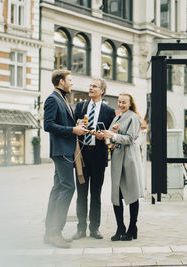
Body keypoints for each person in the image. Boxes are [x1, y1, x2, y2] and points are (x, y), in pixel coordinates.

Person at [43, 70, 88, 248]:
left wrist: (76, 126)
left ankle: (50, 232)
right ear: (61, 82)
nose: (72, 83)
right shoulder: (53, 99)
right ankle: (55, 232)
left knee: (58, 188)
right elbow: (48, 125)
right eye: (70, 80)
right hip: (62, 151)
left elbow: (61, 123)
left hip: (65, 150)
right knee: (68, 188)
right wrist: (72, 130)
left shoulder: (63, 99)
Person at [71, 78, 116, 240]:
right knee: (81, 194)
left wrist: (103, 136)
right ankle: (80, 229)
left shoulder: (109, 111)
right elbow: (73, 127)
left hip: (98, 156)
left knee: (96, 194)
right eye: (90, 86)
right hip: (81, 157)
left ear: (102, 91)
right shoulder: (80, 106)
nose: (91, 88)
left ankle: (94, 228)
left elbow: (111, 136)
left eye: (94, 86)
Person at [103, 93, 144, 241]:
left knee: (132, 192)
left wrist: (113, 136)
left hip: (129, 158)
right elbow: (112, 137)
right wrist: (110, 133)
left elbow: (131, 138)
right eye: (119, 102)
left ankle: (132, 227)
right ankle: (120, 227)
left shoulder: (133, 117)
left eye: (123, 102)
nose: (120, 104)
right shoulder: (117, 117)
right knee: (116, 194)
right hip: (117, 157)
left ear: (130, 103)